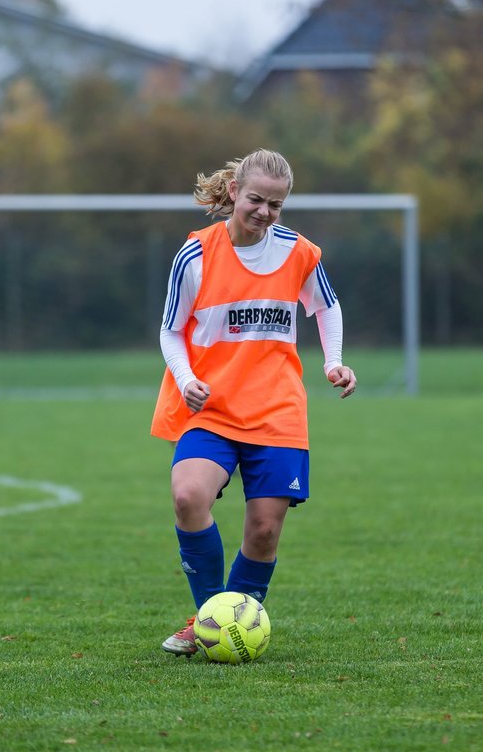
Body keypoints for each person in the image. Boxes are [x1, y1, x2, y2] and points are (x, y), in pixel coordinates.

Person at [151, 148, 357, 654]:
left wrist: (334, 361)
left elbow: (327, 309)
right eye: (257, 200)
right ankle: (208, 620)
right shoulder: (196, 255)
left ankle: (228, 623)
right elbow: (170, 330)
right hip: (212, 408)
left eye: (276, 205)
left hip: (276, 411)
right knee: (188, 497)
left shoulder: (299, 252)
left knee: (264, 531)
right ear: (234, 194)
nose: (265, 213)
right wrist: (184, 377)